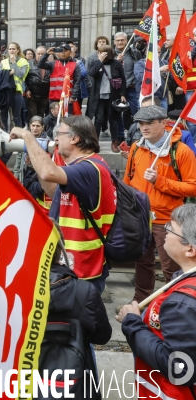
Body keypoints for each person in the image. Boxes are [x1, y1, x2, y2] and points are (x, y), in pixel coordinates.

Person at [10, 116, 117, 294]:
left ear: (75, 139)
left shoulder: (89, 168)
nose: (56, 139)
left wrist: (28, 137)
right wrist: (37, 162)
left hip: (83, 269)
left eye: (59, 134)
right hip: (73, 264)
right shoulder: (83, 166)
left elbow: (47, 173)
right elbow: (54, 192)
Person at [117, 204, 196, 399]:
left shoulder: (182, 303)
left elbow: (179, 368)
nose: (165, 232)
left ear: (190, 249)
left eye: (170, 228)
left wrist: (132, 322)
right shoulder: (183, 282)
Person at [123, 105, 196, 303]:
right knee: (142, 262)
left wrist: (160, 182)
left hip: (167, 220)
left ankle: (171, 303)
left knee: (170, 266)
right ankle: (142, 301)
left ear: (164, 123)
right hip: (140, 216)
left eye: (149, 123)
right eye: (140, 123)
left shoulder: (181, 151)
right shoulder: (136, 147)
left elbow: (193, 187)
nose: (143, 127)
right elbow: (128, 181)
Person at [44, 220, 112, 399]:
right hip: (74, 379)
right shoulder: (84, 291)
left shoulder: (10, 293)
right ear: (60, 249)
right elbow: (102, 336)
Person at [87, 44, 127, 152]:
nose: (99, 54)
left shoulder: (116, 64)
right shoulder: (96, 63)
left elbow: (123, 79)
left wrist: (123, 94)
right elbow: (91, 73)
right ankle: (95, 143)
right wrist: (99, 60)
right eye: (99, 52)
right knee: (98, 119)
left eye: (101, 52)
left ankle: (114, 142)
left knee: (113, 120)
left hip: (112, 96)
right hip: (98, 97)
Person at [38, 43, 82, 114]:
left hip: (67, 98)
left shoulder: (75, 65)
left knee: (66, 119)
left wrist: (73, 96)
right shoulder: (53, 63)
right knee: (53, 118)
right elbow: (40, 64)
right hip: (54, 98)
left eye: (66, 50)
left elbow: (77, 82)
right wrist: (47, 54)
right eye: (61, 50)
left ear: (70, 52)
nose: (63, 52)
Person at [0, 42, 29, 130]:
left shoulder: (23, 61)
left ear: (18, 50)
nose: (11, 51)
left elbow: (21, 75)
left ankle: (18, 136)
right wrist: (8, 73)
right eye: (10, 49)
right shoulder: (3, 61)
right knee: (3, 116)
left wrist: (13, 63)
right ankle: (3, 135)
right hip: (5, 91)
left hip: (16, 92)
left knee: (16, 117)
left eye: (13, 49)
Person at [114, 32, 142, 129]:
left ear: (126, 41)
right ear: (114, 42)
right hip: (116, 89)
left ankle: (135, 133)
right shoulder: (111, 54)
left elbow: (140, 67)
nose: (120, 42)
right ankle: (119, 136)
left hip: (132, 87)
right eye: (118, 40)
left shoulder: (134, 53)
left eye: (122, 40)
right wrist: (116, 61)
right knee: (116, 114)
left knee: (135, 112)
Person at [14, 115, 49, 183]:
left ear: (42, 127)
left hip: (39, 175)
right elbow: (19, 158)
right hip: (25, 171)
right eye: (33, 125)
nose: (35, 128)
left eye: (38, 126)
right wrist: (16, 175)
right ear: (30, 126)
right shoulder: (23, 140)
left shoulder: (47, 143)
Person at [25, 46, 50, 120]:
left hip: (45, 95)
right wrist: (27, 89)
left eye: (42, 54)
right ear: (35, 54)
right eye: (38, 54)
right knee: (33, 116)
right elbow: (24, 79)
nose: (40, 56)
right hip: (32, 95)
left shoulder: (49, 64)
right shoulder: (29, 64)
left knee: (41, 116)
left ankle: (40, 131)